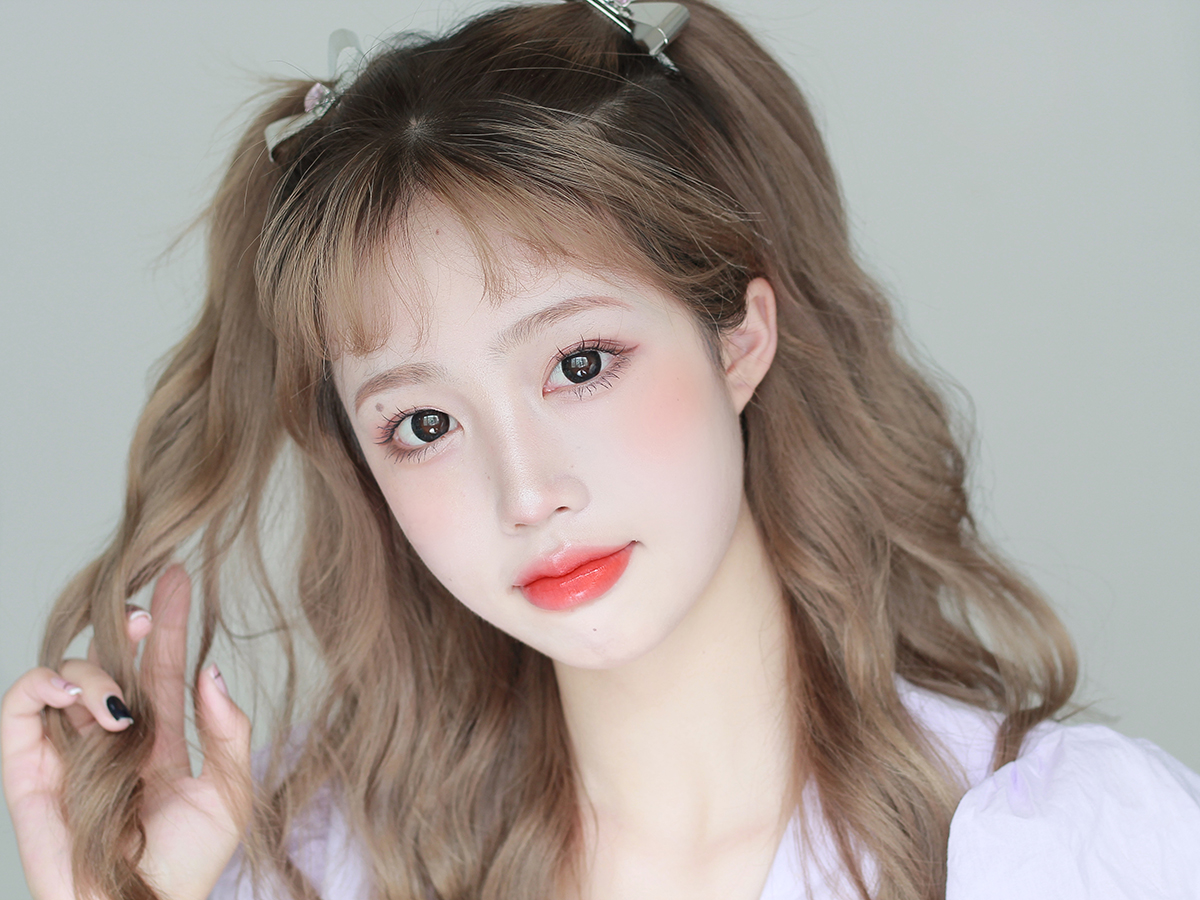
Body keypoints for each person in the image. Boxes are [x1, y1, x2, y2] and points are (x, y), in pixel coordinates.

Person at [3, 1, 1199, 898]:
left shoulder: (1062, 853)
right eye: (424, 425)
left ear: (739, 337)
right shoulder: (315, 863)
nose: (528, 493)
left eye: (580, 364)